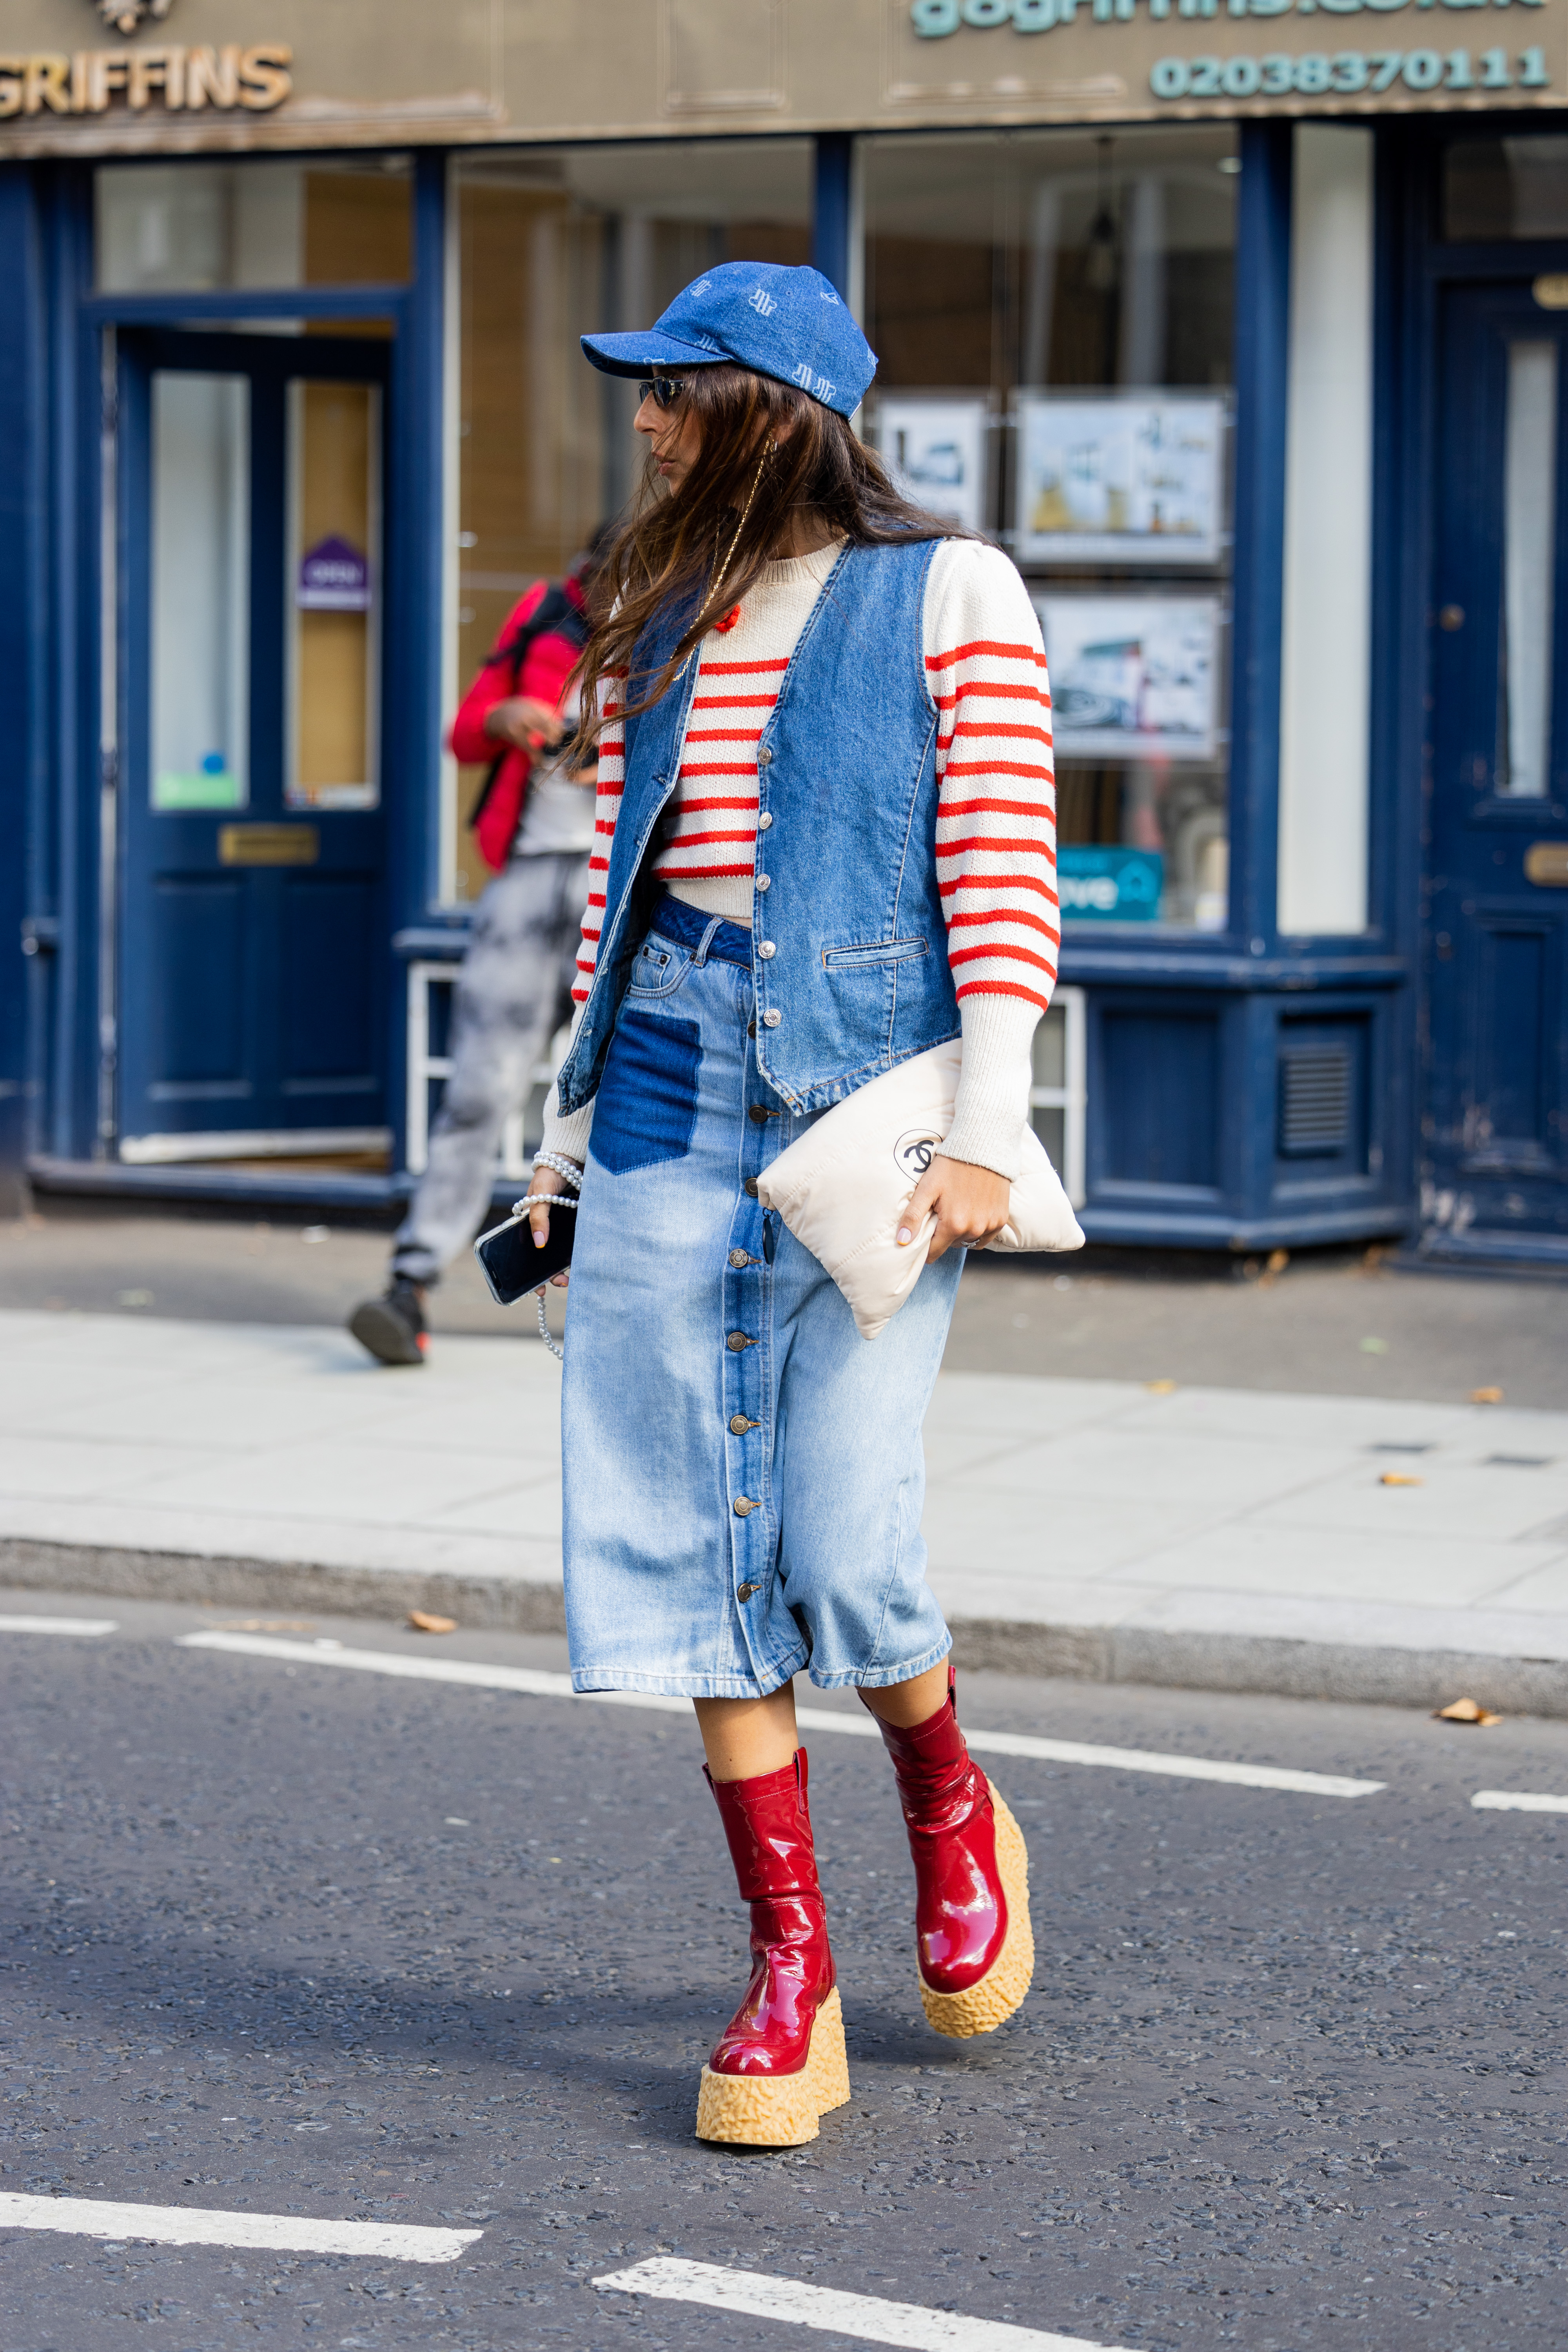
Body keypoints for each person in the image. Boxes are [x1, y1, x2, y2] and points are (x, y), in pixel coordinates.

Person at [524, 263, 1058, 2146]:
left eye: (678, 389)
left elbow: (999, 870)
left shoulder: (950, 589)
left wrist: (988, 1127)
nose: (648, 417)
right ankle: (786, 1962)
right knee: (678, 1548)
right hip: (662, 1087)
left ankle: (939, 1784)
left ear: (769, 403)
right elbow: (620, 886)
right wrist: (564, 1127)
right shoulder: (653, 607)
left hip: (863, 1107)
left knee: (838, 1536)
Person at [348, 535, 605, 1367]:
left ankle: (612, 1297)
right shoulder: (543, 615)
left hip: (625, 883)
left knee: (622, 1098)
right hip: (527, 878)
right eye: (599, 587)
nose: (607, 602)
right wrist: (502, 719)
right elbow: (464, 736)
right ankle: (411, 1283)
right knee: (478, 1089)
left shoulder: (684, 629)